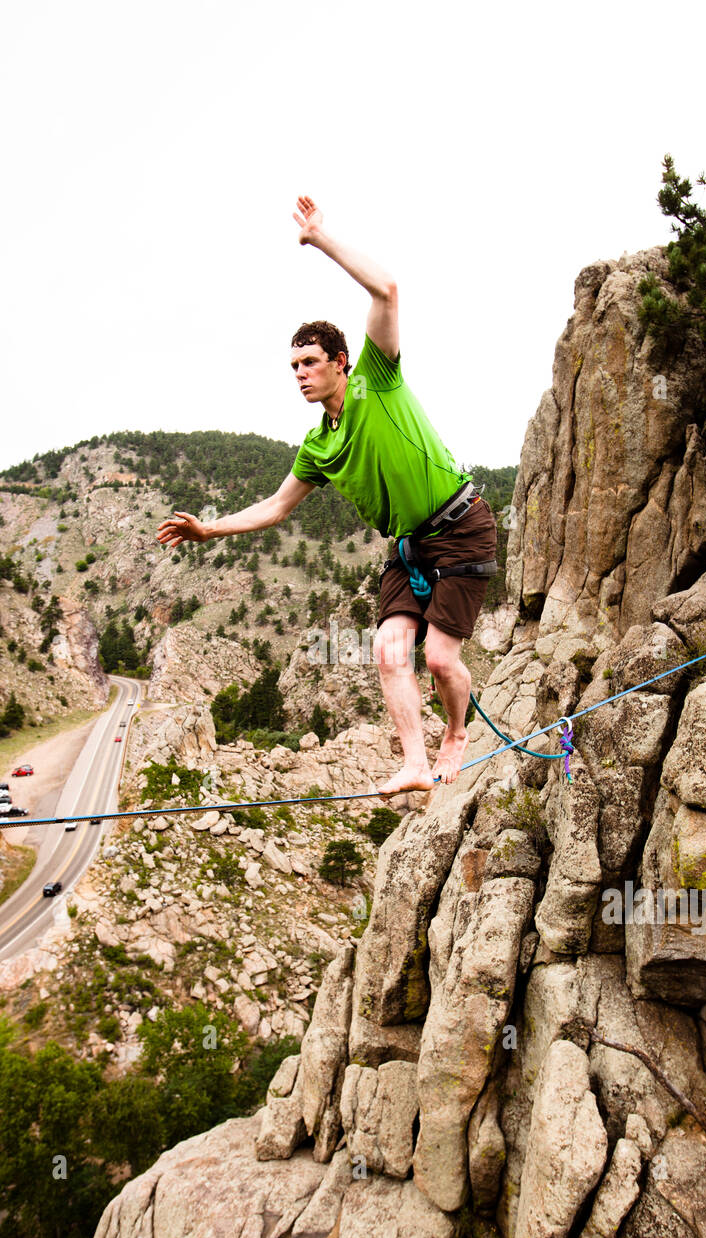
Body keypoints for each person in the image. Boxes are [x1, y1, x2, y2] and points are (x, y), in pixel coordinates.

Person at [157, 194, 497, 799]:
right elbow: (276, 506)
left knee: (441, 659)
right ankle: (415, 763)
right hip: (410, 547)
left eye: (309, 361)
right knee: (390, 650)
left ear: (340, 362)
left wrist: (321, 239)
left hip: (461, 524)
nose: (299, 373)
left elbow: (387, 290)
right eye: (292, 366)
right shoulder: (318, 445)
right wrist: (210, 529)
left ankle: (456, 737)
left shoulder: (377, 378)